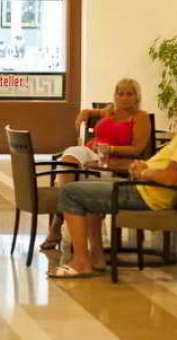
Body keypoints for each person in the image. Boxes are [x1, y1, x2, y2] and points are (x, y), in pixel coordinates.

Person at [41, 78, 151, 250]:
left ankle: (58, 227)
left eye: (129, 94)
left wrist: (110, 148)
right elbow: (92, 112)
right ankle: (70, 227)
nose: (124, 98)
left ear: (136, 97)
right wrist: (85, 112)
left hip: (113, 163)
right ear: (115, 95)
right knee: (69, 159)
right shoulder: (110, 110)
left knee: (76, 180)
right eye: (120, 94)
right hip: (90, 154)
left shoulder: (140, 117)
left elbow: (138, 149)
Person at [49, 136, 177, 278]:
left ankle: (81, 263)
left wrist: (143, 172)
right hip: (142, 187)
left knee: (69, 192)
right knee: (88, 187)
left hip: (145, 193)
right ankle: (96, 258)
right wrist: (142, 167)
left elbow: (171, 177)